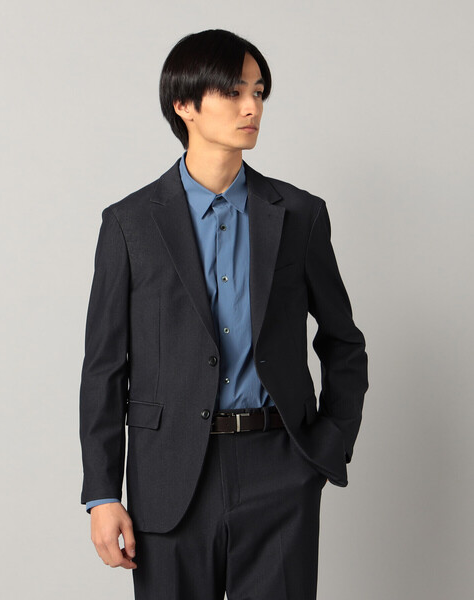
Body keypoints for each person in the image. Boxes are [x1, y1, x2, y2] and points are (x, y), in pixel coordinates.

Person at [79, 28, 369, 600]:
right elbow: (104, 367)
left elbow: (343, 342)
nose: (252, 106)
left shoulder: (300, 215)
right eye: (234, 91)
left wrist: (328, 444)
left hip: (279, 467)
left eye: (258, 91)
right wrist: (102, 493)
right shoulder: (129, 224)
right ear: (184, 104)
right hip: (168, 476)